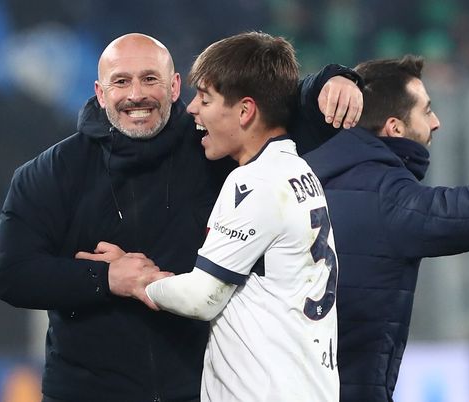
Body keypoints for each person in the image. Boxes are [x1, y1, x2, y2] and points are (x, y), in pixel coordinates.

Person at [0, 32, 361, 402]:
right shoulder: (49, 173)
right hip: (85, 392)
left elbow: (270, 99)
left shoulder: (213, 143)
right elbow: (12, 274)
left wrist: (330, 81)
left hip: (195, 388)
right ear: (101, 93)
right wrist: (106, 278)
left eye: (150, 79)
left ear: (173, 86)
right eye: (121, 81)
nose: (136, 94)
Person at [303, 55, 469, 402]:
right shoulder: (384, 197)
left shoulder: (306, 177)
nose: (437, 122)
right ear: (395, 127)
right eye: (426, 110)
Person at [141, 31, 340, 402]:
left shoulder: (255, 180)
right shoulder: (300, 172)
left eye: (205, 98)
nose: (193, 110)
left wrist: (140, 281)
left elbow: (202, 297)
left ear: (246, 111)